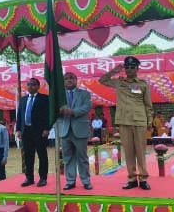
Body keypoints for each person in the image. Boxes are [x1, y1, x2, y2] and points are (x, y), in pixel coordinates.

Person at [99, 56, 154, 190]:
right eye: (127, 67)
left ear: (137, 68)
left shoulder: (142, 84)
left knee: (140, 151)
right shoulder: (119, 82)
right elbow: (102, 80)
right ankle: (132, 178)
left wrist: (149, 121)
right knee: (128, 151)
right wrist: (114, 71)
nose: (129, 69)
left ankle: (143, 178)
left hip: (140, 121)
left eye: (132, 67)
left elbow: (148, 105)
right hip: (124, 121)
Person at [57, 72, 93, 190]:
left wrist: (73, 112)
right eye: (66, 78)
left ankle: (86, 181)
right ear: (63, 82)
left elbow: (87, 107)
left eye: (72, 78)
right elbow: (54, 111)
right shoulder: (59, 96)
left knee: (82, 157)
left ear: (76, 80)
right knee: (68, 158)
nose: (69, 80)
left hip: (80, 130)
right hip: (65, 130)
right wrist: (59, 111)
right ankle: (70, 181)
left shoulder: (85, 94)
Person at [15, 78, 50, 187]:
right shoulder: (23, 99)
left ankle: (43, 178)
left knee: (42, 155)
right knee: (28, 156)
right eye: (29, 84)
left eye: (33, 84)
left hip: (40, 131)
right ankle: (29, 178)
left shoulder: (45, 99)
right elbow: (19, 115)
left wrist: (47, 128)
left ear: (38, 86)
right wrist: (18, 130)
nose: (31, 86)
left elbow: (48, 115)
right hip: (26, 131)